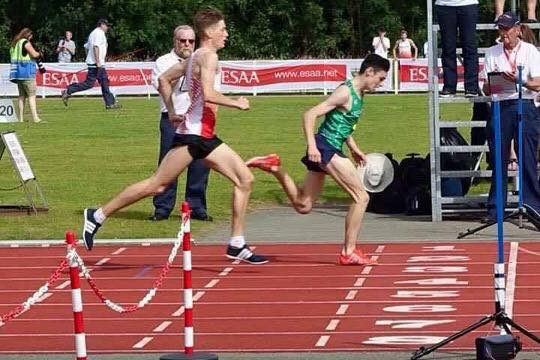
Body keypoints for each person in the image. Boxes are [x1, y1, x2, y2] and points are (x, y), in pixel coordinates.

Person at [81, 9, 268, 264]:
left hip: (202, 135)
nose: (226, 34)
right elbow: (209, 94)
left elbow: (164, 79)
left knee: (244, 179)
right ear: (210, 32)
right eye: (223, 29)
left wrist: (172, 112)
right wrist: (237, 103)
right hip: (194, 136)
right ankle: (97, 215)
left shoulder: (195, 57)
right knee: (157, 184)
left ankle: (236, 243)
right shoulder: (208, 56)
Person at [246, 54, 390, 265]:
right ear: (369, 71)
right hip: (325, 148)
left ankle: (275, 167)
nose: (381, 84)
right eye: (380, 78)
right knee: (362, 197)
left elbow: (343, 123)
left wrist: (354, 147)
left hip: (330, 147)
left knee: (303, 205)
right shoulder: (345, 92)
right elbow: (309, 114)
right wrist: (312, 146)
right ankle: (349, 251)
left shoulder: (359, 92)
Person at [481, 11, 540, 229]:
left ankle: (533, 208)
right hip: (500, 104)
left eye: (507, 29)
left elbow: (538, 82)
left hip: (524, 103)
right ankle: (495, 209)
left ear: (518, 29)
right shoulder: (492, 52)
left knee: (527, 158)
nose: (503, 33)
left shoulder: (530, 51)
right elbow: (485, 86)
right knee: (498, 159)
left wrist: (518, 80)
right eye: (500, 29)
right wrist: (493, 82)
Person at [149, 25, 212, 222]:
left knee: (200, 164)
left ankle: (196, 207)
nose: (187, 44)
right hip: (172, 118)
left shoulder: (202, 60)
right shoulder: (163, 62)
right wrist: (183, 68)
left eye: (191, 41)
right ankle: (162, 208)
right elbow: (162, 84)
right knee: (168, 165)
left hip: (196, 119)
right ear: (174, 41)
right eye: (182, 40)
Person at [61, 18, 120, 109]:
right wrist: (97, 61)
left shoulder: (94, 33)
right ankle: (68, 91)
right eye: (107, 25)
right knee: (90, 83)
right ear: (101, 25)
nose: (108, 27)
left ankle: (110, 103)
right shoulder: (98, 33)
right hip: (97, 64)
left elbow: (86, 47)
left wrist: (90, 58)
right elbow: (95, 47)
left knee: (104, 82)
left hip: (96, 63)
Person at [436, 0, 479, 97]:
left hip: (468, 4)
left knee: (469, 46)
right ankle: (449, 87)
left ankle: (471, 87)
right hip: (444, 5)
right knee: (448, 47)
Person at [9, 28, 45, 123]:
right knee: (32, 95)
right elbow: (34, 54)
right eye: (31, 36)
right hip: (27, 73)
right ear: (28, 35)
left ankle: (20, 118)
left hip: (17, 73)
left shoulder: (15, 43)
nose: (32, 38)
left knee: (21, 96)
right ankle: (35, 118)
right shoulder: (26, 43)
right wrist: (40, 53)